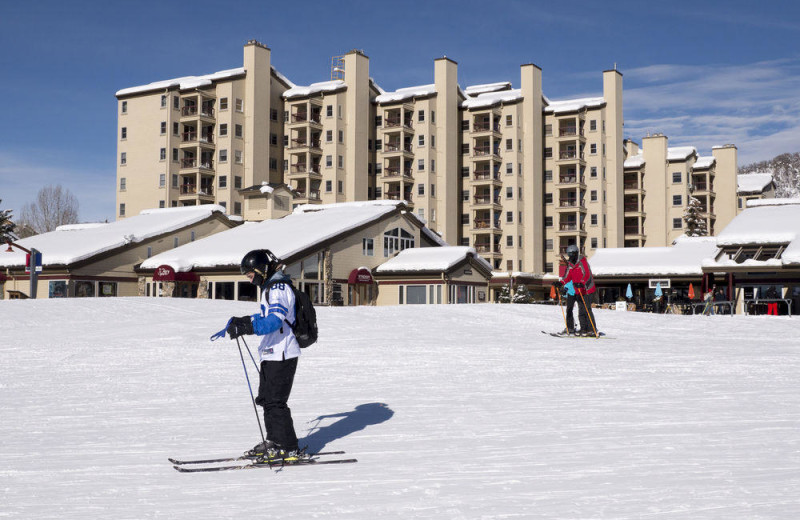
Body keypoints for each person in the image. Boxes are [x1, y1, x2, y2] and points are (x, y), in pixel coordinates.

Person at [224, 249, 305, 461]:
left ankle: (288, 447)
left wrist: (248, 329)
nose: (251, 281)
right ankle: (274, 441)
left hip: (283, 353)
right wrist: (245, 321)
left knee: (276, 401)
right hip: (271, 353)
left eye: (251, 276)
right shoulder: (271, 288)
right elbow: (265, 316)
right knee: (267, 400)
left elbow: (274, 321)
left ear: (261, 270)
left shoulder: (278, 288)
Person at [553, 244, 598, 337]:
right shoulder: (570, 264)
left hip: (587, 289)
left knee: (587, 309)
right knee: (581, 310)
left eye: (572, 254)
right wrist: (561, 283)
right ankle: (584, 329)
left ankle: (592, 329)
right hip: (579, 290)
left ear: (576, 253)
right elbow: (567, 276)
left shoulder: (582, 262)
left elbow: (587, 275)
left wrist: (582, 282)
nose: (570, 256)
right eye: (569, 254)